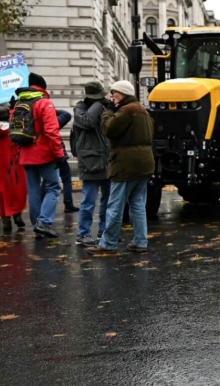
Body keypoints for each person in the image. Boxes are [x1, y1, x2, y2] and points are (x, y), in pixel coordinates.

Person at [87, 80, 154, 255]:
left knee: (115, 205)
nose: (111, 97)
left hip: (125, 164)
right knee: (138, 204)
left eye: (114, 93)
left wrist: (108, 111)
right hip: (144, 163)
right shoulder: (143, 111)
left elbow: (108, 129)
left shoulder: (127, 110)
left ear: (122, 94)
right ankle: (140, 242)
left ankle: (108, 244)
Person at [15, 73, 65, 238]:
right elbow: (52, 131)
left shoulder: (18, 104)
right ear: (43, 88)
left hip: (25, 153)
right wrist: (59, 153)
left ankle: (37, 226)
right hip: (44, 154)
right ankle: (43, 222)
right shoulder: (44, 103)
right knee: (53, 187)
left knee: (34, 190)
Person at [72, 81, 112, 246]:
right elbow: (87, 122)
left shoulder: (104, 107)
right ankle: (83, 233)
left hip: (106, 159)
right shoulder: (80, 109)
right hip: (90, 161)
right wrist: (98, 103)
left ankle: (105, 230)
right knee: (89, 199)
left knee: (108, 200)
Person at [55, 109, 79, 213]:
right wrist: (50, 110)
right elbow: (66, 114)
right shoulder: (51, 122)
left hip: (43, 155)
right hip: (58, 154)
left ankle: (41, 204)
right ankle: (68, 204)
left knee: (48, 181)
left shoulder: (31, 124)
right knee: (66, 179)